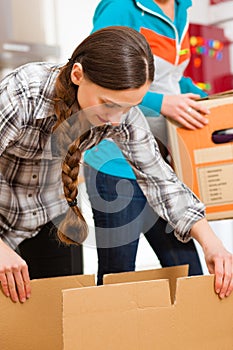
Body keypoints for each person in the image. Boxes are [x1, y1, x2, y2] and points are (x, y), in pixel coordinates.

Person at [0, 27, 232, 305]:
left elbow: (161, 181)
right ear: (77, 75)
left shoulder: (122, 115)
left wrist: (212, 244)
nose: (116, 120)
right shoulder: (22, 94)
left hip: (49, 217)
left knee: (54, 323)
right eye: (108, 104)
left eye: (127, 108)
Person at [84, 0, 211, 283]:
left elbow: (171, 79)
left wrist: (205, 99)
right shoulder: (120, 8)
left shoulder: (182, 10)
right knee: (118, 275)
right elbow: (100, 75)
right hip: (115, 163)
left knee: (187, 270)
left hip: (160, 161)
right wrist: (161, 103)